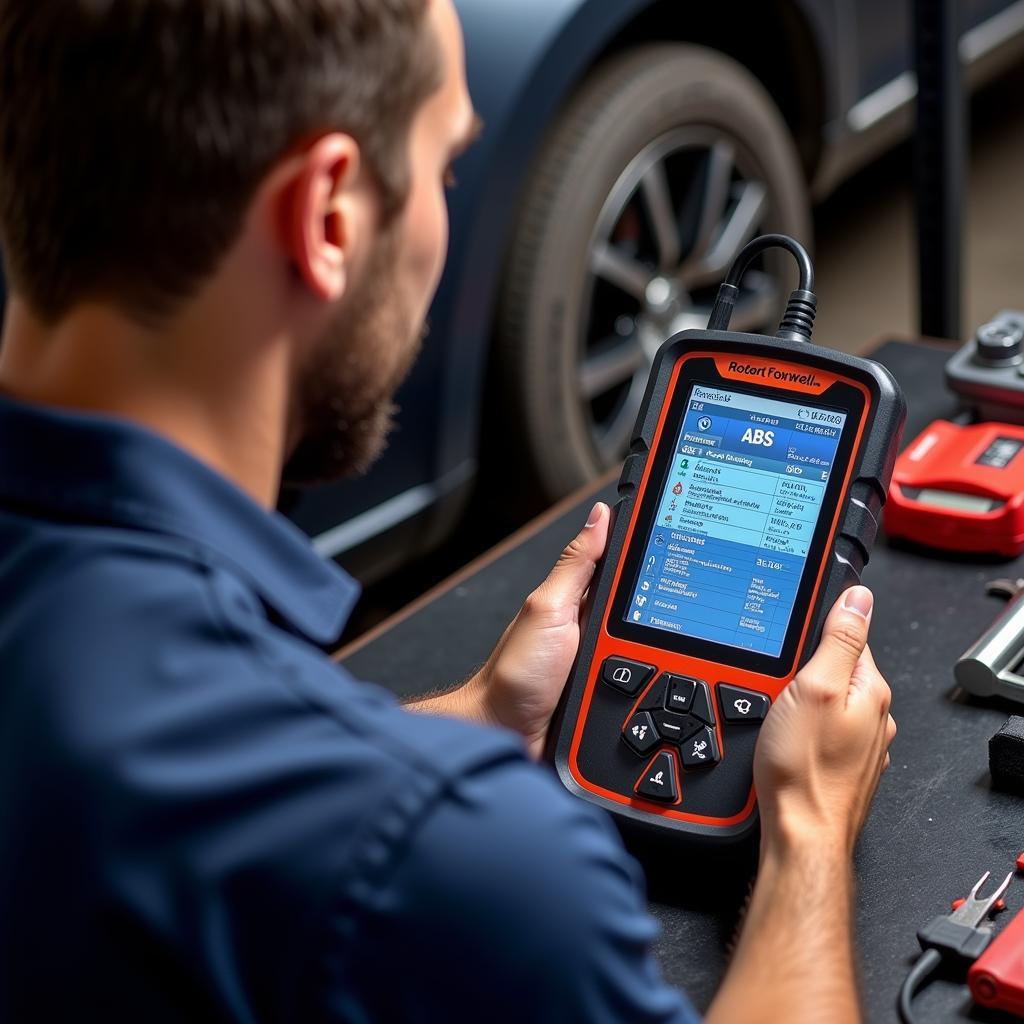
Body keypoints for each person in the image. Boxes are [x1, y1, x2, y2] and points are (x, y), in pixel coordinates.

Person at [0, 1, 896, 1021]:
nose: (443, 217)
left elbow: (134, 784)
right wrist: (808, 831)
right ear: (327, 216)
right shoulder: (460, 866)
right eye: (445, 170)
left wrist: (477, 714)